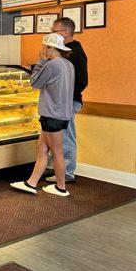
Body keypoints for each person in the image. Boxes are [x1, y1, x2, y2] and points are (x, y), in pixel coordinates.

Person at [11, 33, 75, 197]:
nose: (43, 50)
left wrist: (40, 62)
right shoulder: (68, 64)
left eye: (44, 47)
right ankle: (31, 183)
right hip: (62, 113)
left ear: (50, 48)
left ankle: (61, 187)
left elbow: (35, 83)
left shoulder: (52, 64)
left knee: (57, 151)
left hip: (52, 114)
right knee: (42, 148)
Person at [45, 17, 88, 184]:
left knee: (66, 137)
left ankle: (67, 172)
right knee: (55, 137)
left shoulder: (75, 53)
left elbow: (82, 81)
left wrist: (64, 95)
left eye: (53, 31)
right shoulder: (62, 51)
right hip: (58, 103)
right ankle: (55, 167)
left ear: (65, 33)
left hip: (68, 102)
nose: (51, 34)